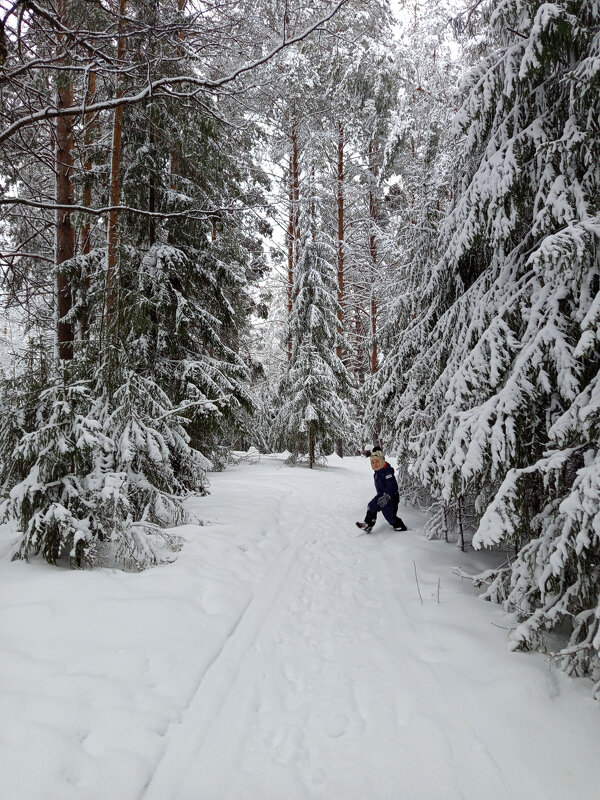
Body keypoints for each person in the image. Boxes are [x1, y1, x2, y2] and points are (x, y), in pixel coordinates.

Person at [356, 448, 407, 533]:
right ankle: (368, 525)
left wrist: (387, 496)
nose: (375, 464)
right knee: (372, 506)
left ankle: (400, 526)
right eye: (373, 462)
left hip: (391, 497)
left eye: (377, 462)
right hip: (381, 495)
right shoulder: (377, 472)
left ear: (382, 461)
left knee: (389, 516)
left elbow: (392, 486)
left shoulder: (387, 472)